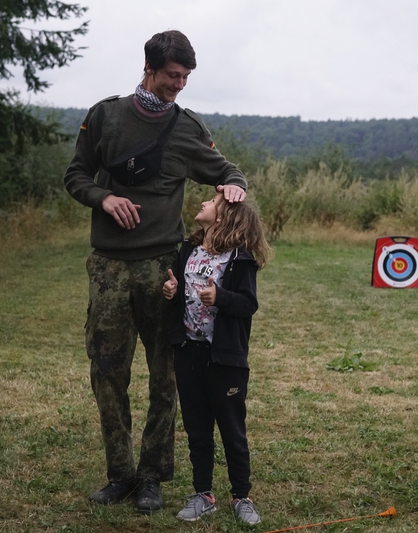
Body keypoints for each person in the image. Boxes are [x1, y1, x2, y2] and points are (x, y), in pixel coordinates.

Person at [62, 30, 247, 513]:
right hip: (108, 267)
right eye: (172, 75)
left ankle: (151, 477)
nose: (179, 85)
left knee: (166, 374)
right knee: (107, 372)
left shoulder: (187, 128)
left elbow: (228, 172)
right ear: (149, 68)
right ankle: (119, 474)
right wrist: (104, 197)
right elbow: (75, 175)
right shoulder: (105, 116)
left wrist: (234, 188)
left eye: (185, 77)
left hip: (165, 268)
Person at [162, 193, 273, 525]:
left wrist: (219, 296)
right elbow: (182, 294)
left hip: (225, 360)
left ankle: (242, 497)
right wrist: (172, 290)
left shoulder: (239, 258)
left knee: (232, 431)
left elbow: (247, 304)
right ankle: (203, 495)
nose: (203, 203)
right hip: (188, 353)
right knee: (197, 429)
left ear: (223, 217)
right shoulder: (188, 250)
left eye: (211, 201)